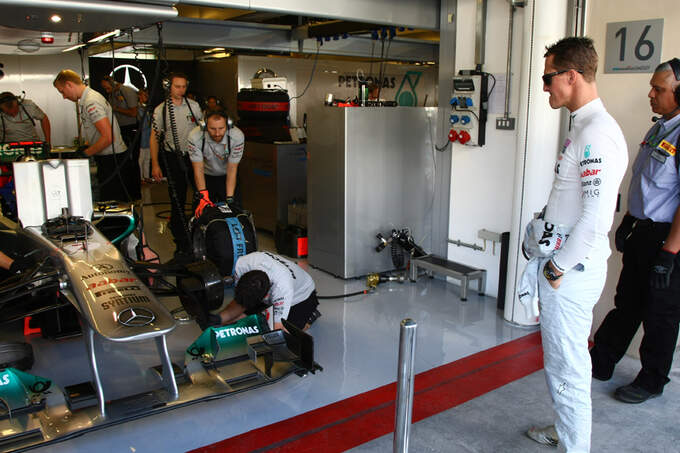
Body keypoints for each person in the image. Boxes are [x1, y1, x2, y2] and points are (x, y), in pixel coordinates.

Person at [523, 37, 628, 452]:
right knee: (565, 365)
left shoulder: (596, 134)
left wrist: (556, 268)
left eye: (549, 78)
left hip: (570, 273)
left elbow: (597, 218)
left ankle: (573, 445)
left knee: (567, 367)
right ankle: (566, 432)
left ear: (572, 76)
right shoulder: (585, 126)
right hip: (568, 267)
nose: (545, 87)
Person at [590, 58, 680, 404]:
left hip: (667, 239)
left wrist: (670, 254)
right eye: (652, 87)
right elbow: (645, 184)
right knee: (627, 302)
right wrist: (628, 219)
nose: (651, 94)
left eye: (659, 89)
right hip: (644, 231)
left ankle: (652, 379)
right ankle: (603, 358)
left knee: (661, 313)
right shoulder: (660, 128)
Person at [53, 70, 136, 202]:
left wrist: (86, 153)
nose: (64, 96)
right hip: (108, 158)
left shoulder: (91, 101)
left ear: (69, 85)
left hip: (112, 159)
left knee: (112, 205)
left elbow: (108, 137)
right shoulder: (88, 98)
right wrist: (86, 147)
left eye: (62, 91)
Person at [150, 72, 203, 256]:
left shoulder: (194, 106)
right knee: (177, 196)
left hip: (193, 155)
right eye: (177, 86)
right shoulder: (161, 110)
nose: (181, 90)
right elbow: (154, 137)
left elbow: (202, 130)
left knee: (199, 191)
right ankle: (179, 233)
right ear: (168, 87)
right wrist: (155, 164)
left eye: (183, 86)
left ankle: (198, 225)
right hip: (173, 156)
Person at [211, 251, 321, 332]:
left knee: (275, 331)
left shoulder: (282, 289)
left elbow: (277, 331)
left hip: (302, 296)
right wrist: (218, 319)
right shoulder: (243, 264)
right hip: (273, 284)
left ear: (265, 295)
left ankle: (310, 314)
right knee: (242, 318)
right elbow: (240, 302)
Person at [188, 109, 245, 217]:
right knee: (200, 213)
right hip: (205, 177)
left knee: (234, 212)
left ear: (228, 125)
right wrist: (203, 195)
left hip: (227, 176)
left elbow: (232, 169)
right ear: (204, 126)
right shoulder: (195, 136)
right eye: (212, 129)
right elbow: (198, 168)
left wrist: (229, 199)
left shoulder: (237, 136)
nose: (217, 133)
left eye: (221, 128)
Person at [100, 76, 141, 199]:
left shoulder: (126, 91)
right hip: (120, 129)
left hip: (131, 128)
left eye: (107, 88)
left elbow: (134, 112)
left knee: (132, 161)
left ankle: (135, 193)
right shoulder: (112, 94)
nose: (107, 91)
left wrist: (116, 109)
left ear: (113, 83)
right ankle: (125, 192)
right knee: (123, 162)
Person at [137, 88, 152, 184]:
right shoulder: (138, 108)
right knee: (141, 158)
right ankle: (141, 177)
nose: (146, 97)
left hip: (148, 137)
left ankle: (146, 176)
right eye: (144, 95)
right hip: (142, 136)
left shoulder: (146, 108)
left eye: (147, 95)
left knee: (147, 158)